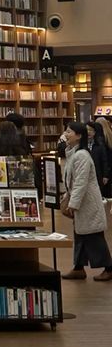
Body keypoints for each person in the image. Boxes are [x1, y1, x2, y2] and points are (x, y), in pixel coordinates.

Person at [60, 121, 112, 282]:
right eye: (66, 131)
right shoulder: (73, 153)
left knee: (94, 236)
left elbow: (81, 183)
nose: (66, 134)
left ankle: (109, 267)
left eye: (69, 132)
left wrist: (72, 204)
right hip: (81, 203)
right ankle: (78, 267)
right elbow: (71, 181)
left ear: (79, 136)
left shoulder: (82, 155)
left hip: (87, 204)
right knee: (81, 235)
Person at [85, 120, 110, 198]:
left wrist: (105, 175)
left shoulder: (100, 145)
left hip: (98, 173)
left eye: (90, 130)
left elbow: (104, 161)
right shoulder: (82, 145)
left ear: (95, 132)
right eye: (87, 130)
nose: (88, 132)